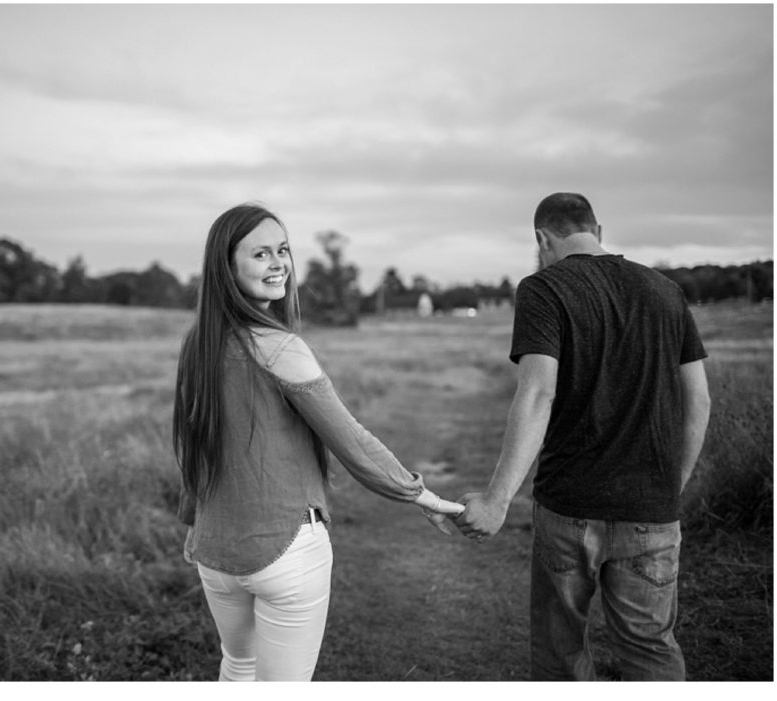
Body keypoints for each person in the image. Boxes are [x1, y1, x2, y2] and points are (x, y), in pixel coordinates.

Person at [172, 203, 461, 682]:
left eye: (282, 250)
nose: (278, 263)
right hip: (286, 551)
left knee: (236, 668)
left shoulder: (196, 345)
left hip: (214, 553)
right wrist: (418, 494)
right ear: (227, 267)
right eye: (260, 254)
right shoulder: (280, 346)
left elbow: (194, 445)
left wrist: (194, 520)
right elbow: (352, 441)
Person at [453, 192, 711, 681]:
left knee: (561, 654)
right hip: (651, 512)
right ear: (598, 231)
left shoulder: (543, 289)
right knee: (651, 650)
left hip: (569, 509)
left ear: (541, 239)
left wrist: (496, 499)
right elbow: (699, 400)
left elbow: (536, 395)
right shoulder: (665, 290)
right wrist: (670, 487)